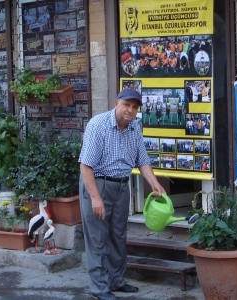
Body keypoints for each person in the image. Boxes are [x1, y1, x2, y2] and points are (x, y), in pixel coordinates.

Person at [79, 88, 166, 300]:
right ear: (116, 102)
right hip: (98, 185)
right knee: (98, 238)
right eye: (127, 105)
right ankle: (100, 289)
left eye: (135, 107)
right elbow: (85, 166)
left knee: (118, 236)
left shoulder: (134, 127)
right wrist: (95, 198)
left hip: (122, 186)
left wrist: (154, 183)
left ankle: (116, 281)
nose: (130, 110)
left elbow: (142, 159)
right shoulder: (98, 125)